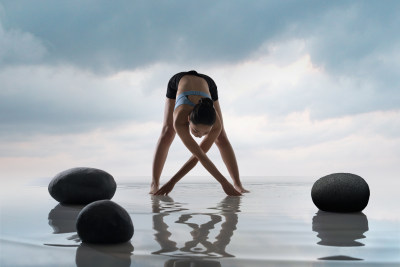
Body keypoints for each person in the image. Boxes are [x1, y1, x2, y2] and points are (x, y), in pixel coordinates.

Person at [150, 70, 249, 196]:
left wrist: (172, 181)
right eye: (196, 130)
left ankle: (238, 184)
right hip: (178, 81)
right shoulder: (180, 118)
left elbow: (199, 156)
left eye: (205, 132)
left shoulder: (216, 125)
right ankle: (154, 183)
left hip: (207, 84)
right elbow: (200, 156)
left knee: (222, 136)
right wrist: (223, 182)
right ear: (188, 120)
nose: (199, 136)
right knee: (167, 132)